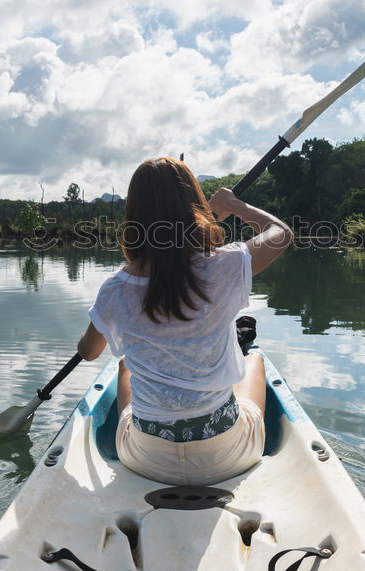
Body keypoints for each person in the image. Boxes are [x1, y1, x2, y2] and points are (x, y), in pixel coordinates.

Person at [76, 157, 293, 485]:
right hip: (226, 457)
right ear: (194, 207)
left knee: (124, 366)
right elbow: (281, 234)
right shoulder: (226, 265)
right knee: (255, 360)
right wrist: (236, 206)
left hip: (146, 460)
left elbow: (89, 352)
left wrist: (101, 321)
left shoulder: (114, 289)